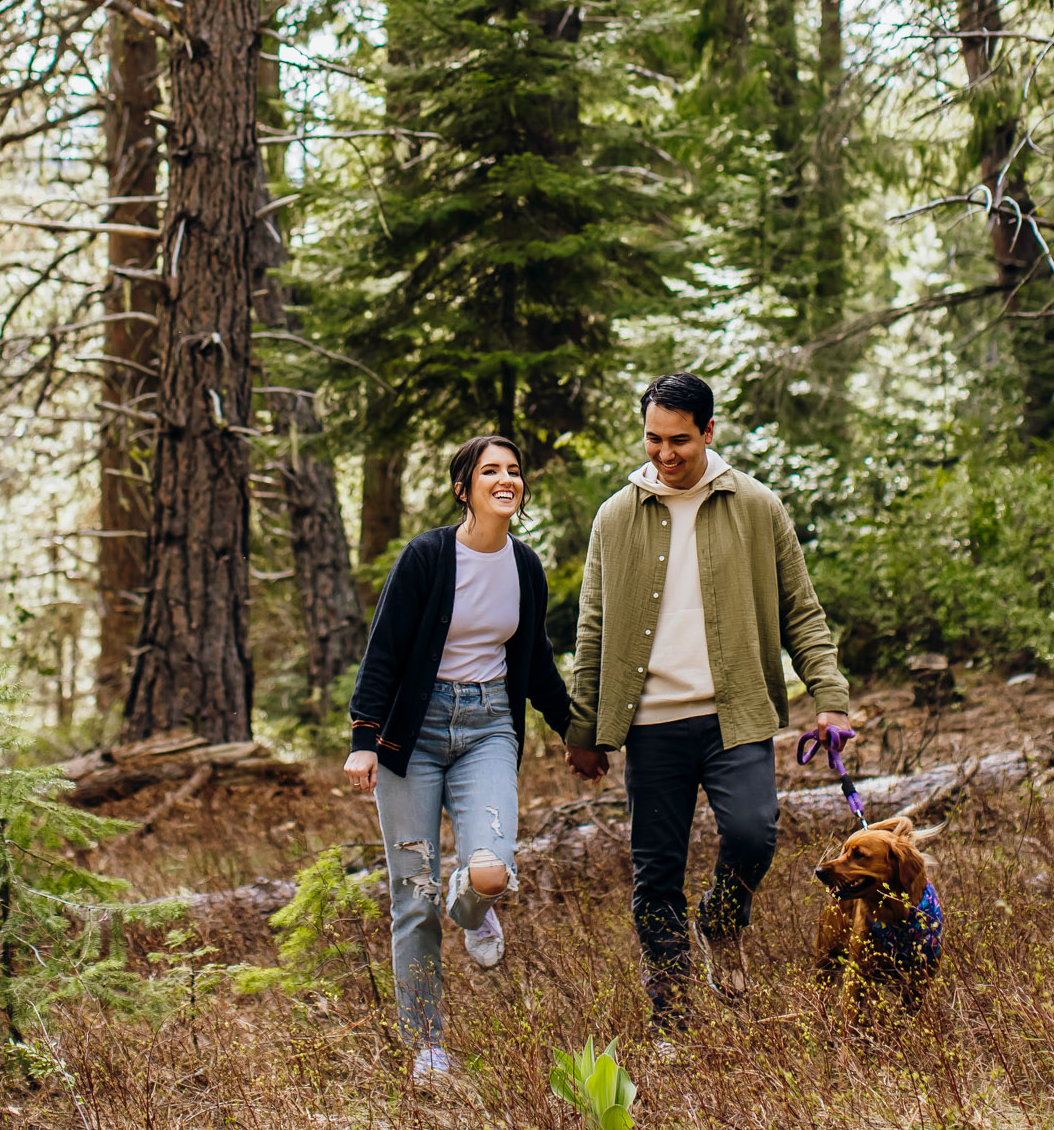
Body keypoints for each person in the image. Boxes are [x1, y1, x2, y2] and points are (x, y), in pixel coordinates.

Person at [564, 372, 853, 1031]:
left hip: (735, 713)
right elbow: (591, 626)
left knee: (753, 833)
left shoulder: (756, 506)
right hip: (651, 725)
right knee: (655, 872)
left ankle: (721, 919)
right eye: (653, 440)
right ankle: (671, 1018)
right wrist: (585, 728)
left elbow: (799, 611)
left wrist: (829, 697)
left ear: (708, 432)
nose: (664, 455)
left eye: (679, 442)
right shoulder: (615, 515)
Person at [344, 434, 572, 1087]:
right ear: (462, 488)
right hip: (408, 739)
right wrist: (364, 738)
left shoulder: (525, 566)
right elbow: (383, 647)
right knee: (412, 897)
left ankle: (470, 906)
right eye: (489, 471)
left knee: (491, 872)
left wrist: (573, 733)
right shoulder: (425, 556)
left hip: (487, 727)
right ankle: (427, 1046)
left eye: (513, 471)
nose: (505, 479)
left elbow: (534, 663)